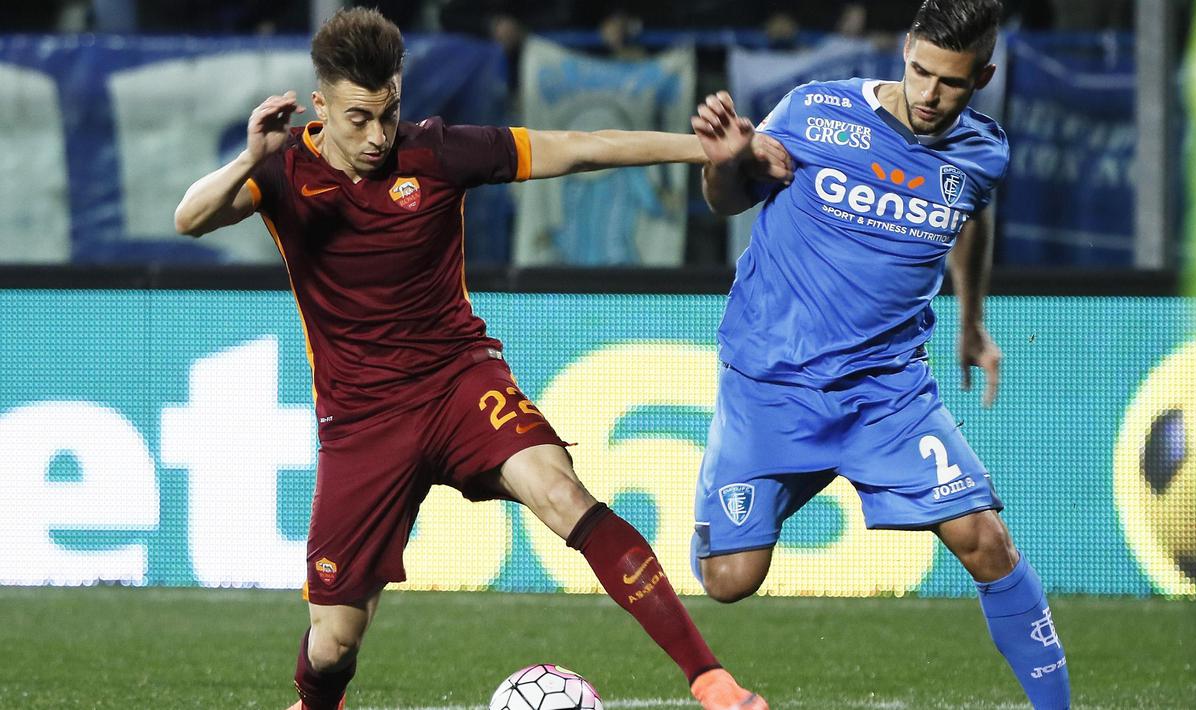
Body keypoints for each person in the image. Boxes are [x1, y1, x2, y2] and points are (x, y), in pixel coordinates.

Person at [173, 8, 788, 710]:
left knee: (563, 493)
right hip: (363, 421)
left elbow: (582, 146)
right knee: (335, 640)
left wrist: (703, 152)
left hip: (458, 382)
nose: (377, 136)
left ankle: (711, 681)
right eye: (358, 118)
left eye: (388, 113)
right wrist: (251, 157)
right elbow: (188, 219)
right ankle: (316, 704)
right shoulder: (282, 172)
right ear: (322, 105)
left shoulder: (437, 152)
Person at [688, 1, 1070, 708]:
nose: (929, 94)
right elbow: (727, 199)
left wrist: (970, 322)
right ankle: (764, 481)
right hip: (773, 383)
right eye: (920, 71)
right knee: (727, 580)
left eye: (950, 83)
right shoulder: (814, 112)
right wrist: (727, 162)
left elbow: (967, 223)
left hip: (885, 394)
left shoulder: (982, 153)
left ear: (981, 77)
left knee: (985, 540)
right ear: (903, 51)